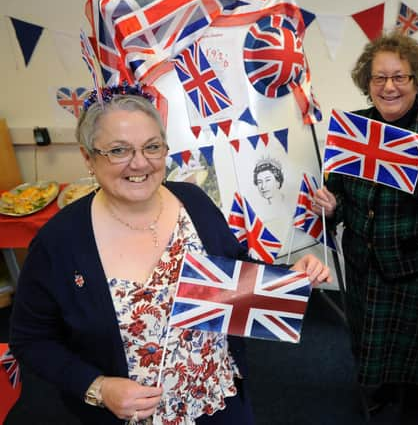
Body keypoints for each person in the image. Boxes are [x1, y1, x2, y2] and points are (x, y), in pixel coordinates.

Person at [9, 87, 331, 425]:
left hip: (218, 400)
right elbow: (30, 339)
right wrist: (99, 388)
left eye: (152, 147)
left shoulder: (193, 201)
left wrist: (288, 275)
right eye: (119, 150)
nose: (140, 163)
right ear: (88, 157)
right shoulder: (59, 242)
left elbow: (235, 272)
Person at [313, 31, 418, 424]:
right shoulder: (352, 129)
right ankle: (377, 393)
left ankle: (411, 403)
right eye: (379, 78)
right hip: (364, 262)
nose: (389, 86)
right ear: (368, 83)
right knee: (368, 340)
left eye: (400, 77)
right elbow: (341, 199)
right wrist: (331, 208)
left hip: (415, 265)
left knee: (414, 349)